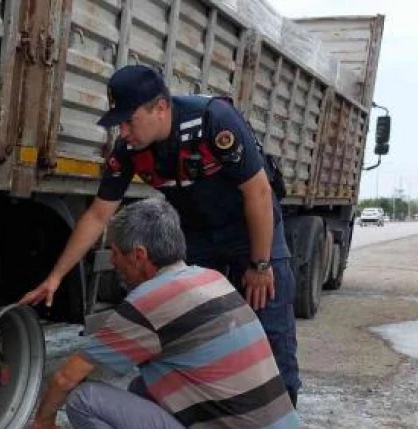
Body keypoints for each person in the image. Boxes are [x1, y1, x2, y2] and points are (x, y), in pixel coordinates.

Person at [25, 197, 303, 429]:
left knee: (85, 402)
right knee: (144, 388)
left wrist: (43, 422)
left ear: (139, 255)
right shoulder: (211, 278)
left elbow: (65, 378)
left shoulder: (147, 304)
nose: (114, 263)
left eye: (116, 253)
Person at [20, 65, 300, 405]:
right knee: (187, 328)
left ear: (161, 108)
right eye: (118, 124)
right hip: (196, 235)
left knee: (271, 329)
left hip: (251, 229)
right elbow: (97, 215)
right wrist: (56, 277)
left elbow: (257, 193)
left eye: (128, 121)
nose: (122, 133)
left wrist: (260, 264)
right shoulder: (130, 151)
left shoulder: (213, 121)